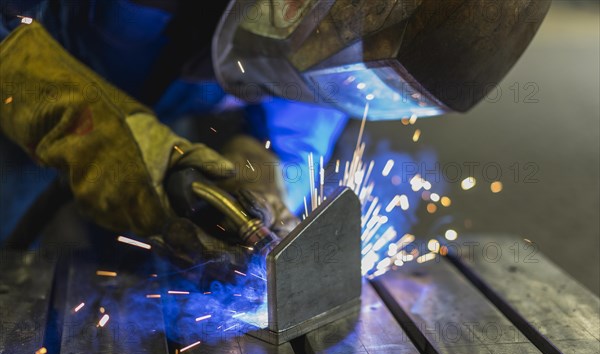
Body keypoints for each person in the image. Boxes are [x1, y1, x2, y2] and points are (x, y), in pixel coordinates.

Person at [0, 1, 550, 264]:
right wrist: (105, 142)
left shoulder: (340, 42)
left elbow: (295, 123)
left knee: (140, 270)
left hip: (165, 107)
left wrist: (266, 177)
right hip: (25, 90)